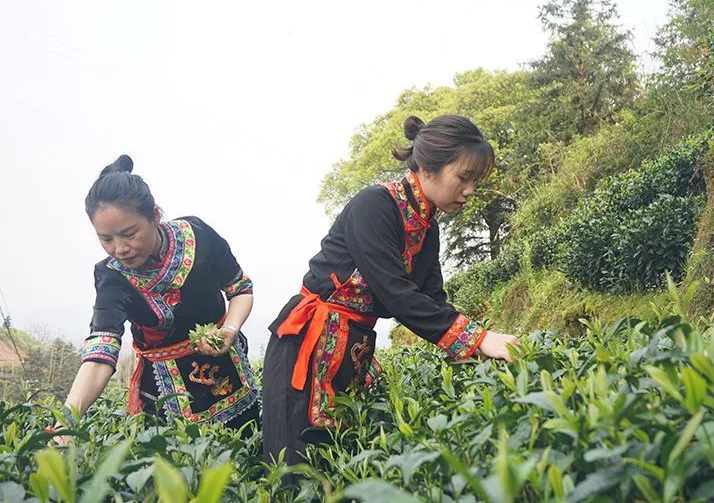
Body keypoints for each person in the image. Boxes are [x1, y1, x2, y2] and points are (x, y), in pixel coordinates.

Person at [262, 114, 519, 465]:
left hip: (353, 347)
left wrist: (474, 350)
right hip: (306, 348)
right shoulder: (375, 205)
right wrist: (476, 337)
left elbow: (431, 298)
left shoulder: (428, 228)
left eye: (475, 180)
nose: (470, 190)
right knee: (297, 466)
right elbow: (396, 293)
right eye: (464, 177)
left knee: (344, 460)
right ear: (428, 168)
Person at [63, 155, 259, 433]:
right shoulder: (112, 276)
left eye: (130, 234)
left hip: (226, 372)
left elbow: (240, 289)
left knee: (244, 450)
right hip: (163, 393)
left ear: (154, 216)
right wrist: (65, 423)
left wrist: (229, 329)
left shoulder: (198, 235)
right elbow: (101, 351)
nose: (120, 249)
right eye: (106, 239)